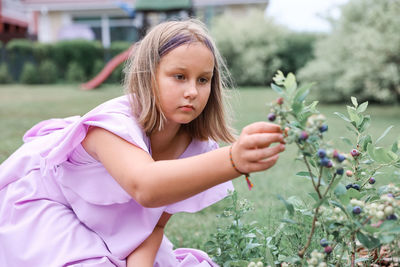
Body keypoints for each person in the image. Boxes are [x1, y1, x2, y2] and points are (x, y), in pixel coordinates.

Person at [0, 19, 285, 267]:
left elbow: (152, 226)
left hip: (103, 222)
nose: (192, 91)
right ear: (149, 76)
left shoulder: (194, 147)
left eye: (203, 80)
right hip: (41, 202)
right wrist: (233, 160)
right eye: (179, 77)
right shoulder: (112, 125)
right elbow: (146, 186)